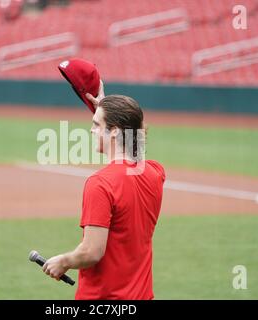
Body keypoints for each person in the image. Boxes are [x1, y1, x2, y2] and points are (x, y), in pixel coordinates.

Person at [42, 91, 166, 300]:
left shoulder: (100, 184)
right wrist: (112, 109)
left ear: (115, 131)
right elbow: (137, 139)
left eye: (96, 124)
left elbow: (92, 252)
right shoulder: (155, 172)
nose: (91, 131)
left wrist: (62, 262)